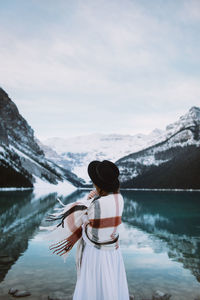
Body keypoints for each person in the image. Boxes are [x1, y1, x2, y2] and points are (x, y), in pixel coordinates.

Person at [40, 160, 130, 300]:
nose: (93, 183)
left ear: (99, 186)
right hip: (114, 252)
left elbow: (88, 231)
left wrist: (89, 201)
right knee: (111, 285)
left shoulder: (94, 204)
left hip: (96, 254)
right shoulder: (120, 198)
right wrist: (94, 200)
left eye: (95, 181)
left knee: (93, 287)